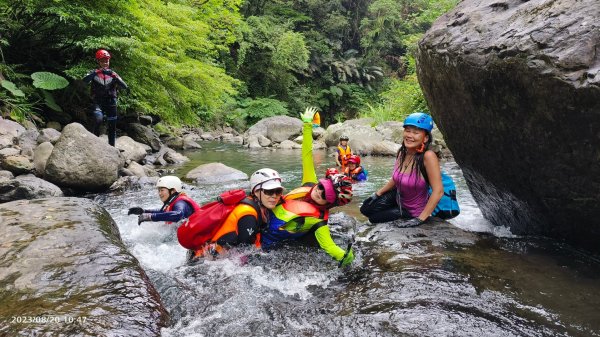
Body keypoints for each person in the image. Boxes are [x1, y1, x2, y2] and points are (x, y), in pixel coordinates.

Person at [360, 112, 443, 227]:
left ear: (425, 138)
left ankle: (400, 213)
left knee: (374, 219)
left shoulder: (428, 156)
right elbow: (396, 178)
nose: (410, 135)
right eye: (408, 131)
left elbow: (438, 191)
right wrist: (377, 194)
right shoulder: (402, 152)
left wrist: (420, 219)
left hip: (412, 210)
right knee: (365, 209)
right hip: (398, 197)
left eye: (416, 132)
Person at [82, 49, 128, 146]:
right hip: (98, 101)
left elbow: (124, 86)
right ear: (98, 61)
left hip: (111, 102)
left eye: (107, 61)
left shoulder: (113, 74)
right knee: (98, 119)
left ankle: (112, 147)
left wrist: (115, 77)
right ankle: (94, 143)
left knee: (112, 126)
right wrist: (95, 73)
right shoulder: (93, 72)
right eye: (102, 61)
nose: (105, 63)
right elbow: (84, 81)